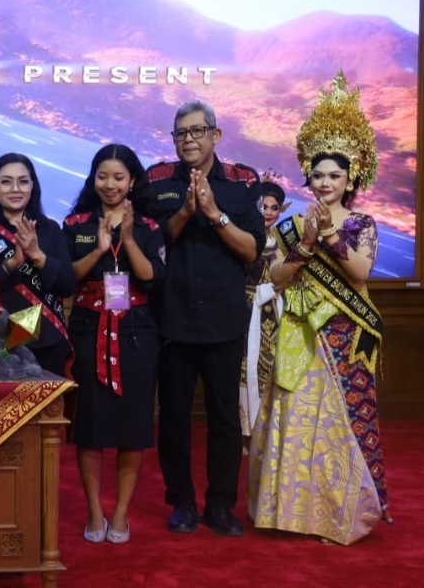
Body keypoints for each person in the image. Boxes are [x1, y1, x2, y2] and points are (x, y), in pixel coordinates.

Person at [247, 71, 389, 544]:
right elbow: (276, 276)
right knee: (294, 417)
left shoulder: (362, 223)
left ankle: (338, 517)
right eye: (318, 174)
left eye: (335, 176)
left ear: (351, 179)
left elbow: (361, 273)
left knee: (337, 427)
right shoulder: (291, 226)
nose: (325, 182)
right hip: (298, 336)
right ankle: (288, 512)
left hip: (344, 336)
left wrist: (329, 233)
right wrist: (307, 242)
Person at [145, 100, 265, 537]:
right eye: (181, 133)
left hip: (223, 319)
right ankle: (181, 503)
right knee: (173, 417)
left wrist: (214, 214)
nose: (189, 139)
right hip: (172, 318)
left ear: (216, 135)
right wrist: (185, 212)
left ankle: (220, 506)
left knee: (225, 418)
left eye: (198, 131)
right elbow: (151, 245)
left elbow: (251, 251)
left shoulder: (241, 182)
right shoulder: (157, 180)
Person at [62, 144, 166, 545]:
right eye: (102, 176)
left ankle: (120, 514)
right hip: (88, 328)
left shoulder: (150, 226)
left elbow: (152, 278)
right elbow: (66, 279)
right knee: (89, 426)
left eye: (119, 177)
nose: (110, 184)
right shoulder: (76, 223)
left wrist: (128, 239)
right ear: (93, 179)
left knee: (132, 428)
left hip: (137, 330)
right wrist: (99, 249)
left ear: (133, 180)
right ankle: (94, 512)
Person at [0, 152, 75, 377]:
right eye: (6, 182)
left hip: (49, 344)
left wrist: (38, 256)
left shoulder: (50, 230)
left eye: (23, 181)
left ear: (33, 187)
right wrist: (11, 264)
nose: (15, 189)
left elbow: (67, 286)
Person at [239, 177, 290, 445]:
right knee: (243, 368)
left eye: (274, 207)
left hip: (273, 312)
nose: (268, 212)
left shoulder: (282, 241)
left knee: (269, 366)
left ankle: (267, 430)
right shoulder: (243, 237)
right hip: (244, 310)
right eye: (264, 207)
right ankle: (244, 432)